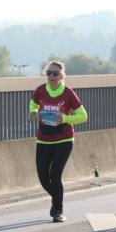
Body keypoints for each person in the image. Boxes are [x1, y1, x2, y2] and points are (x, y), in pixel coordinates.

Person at [28, 61, 88, 222]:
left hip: (64, 139)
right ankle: (58, 197)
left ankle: (58, 209)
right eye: (49, 73)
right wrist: (33, 111)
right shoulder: (40, 90)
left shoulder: (68, 93)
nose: (51, 76)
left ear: (62, 76)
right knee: (43, 177)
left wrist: (65, 118)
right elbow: (33, 103)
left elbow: (83, 116)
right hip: (43, 139)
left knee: (55, 176)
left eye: (55, 74)